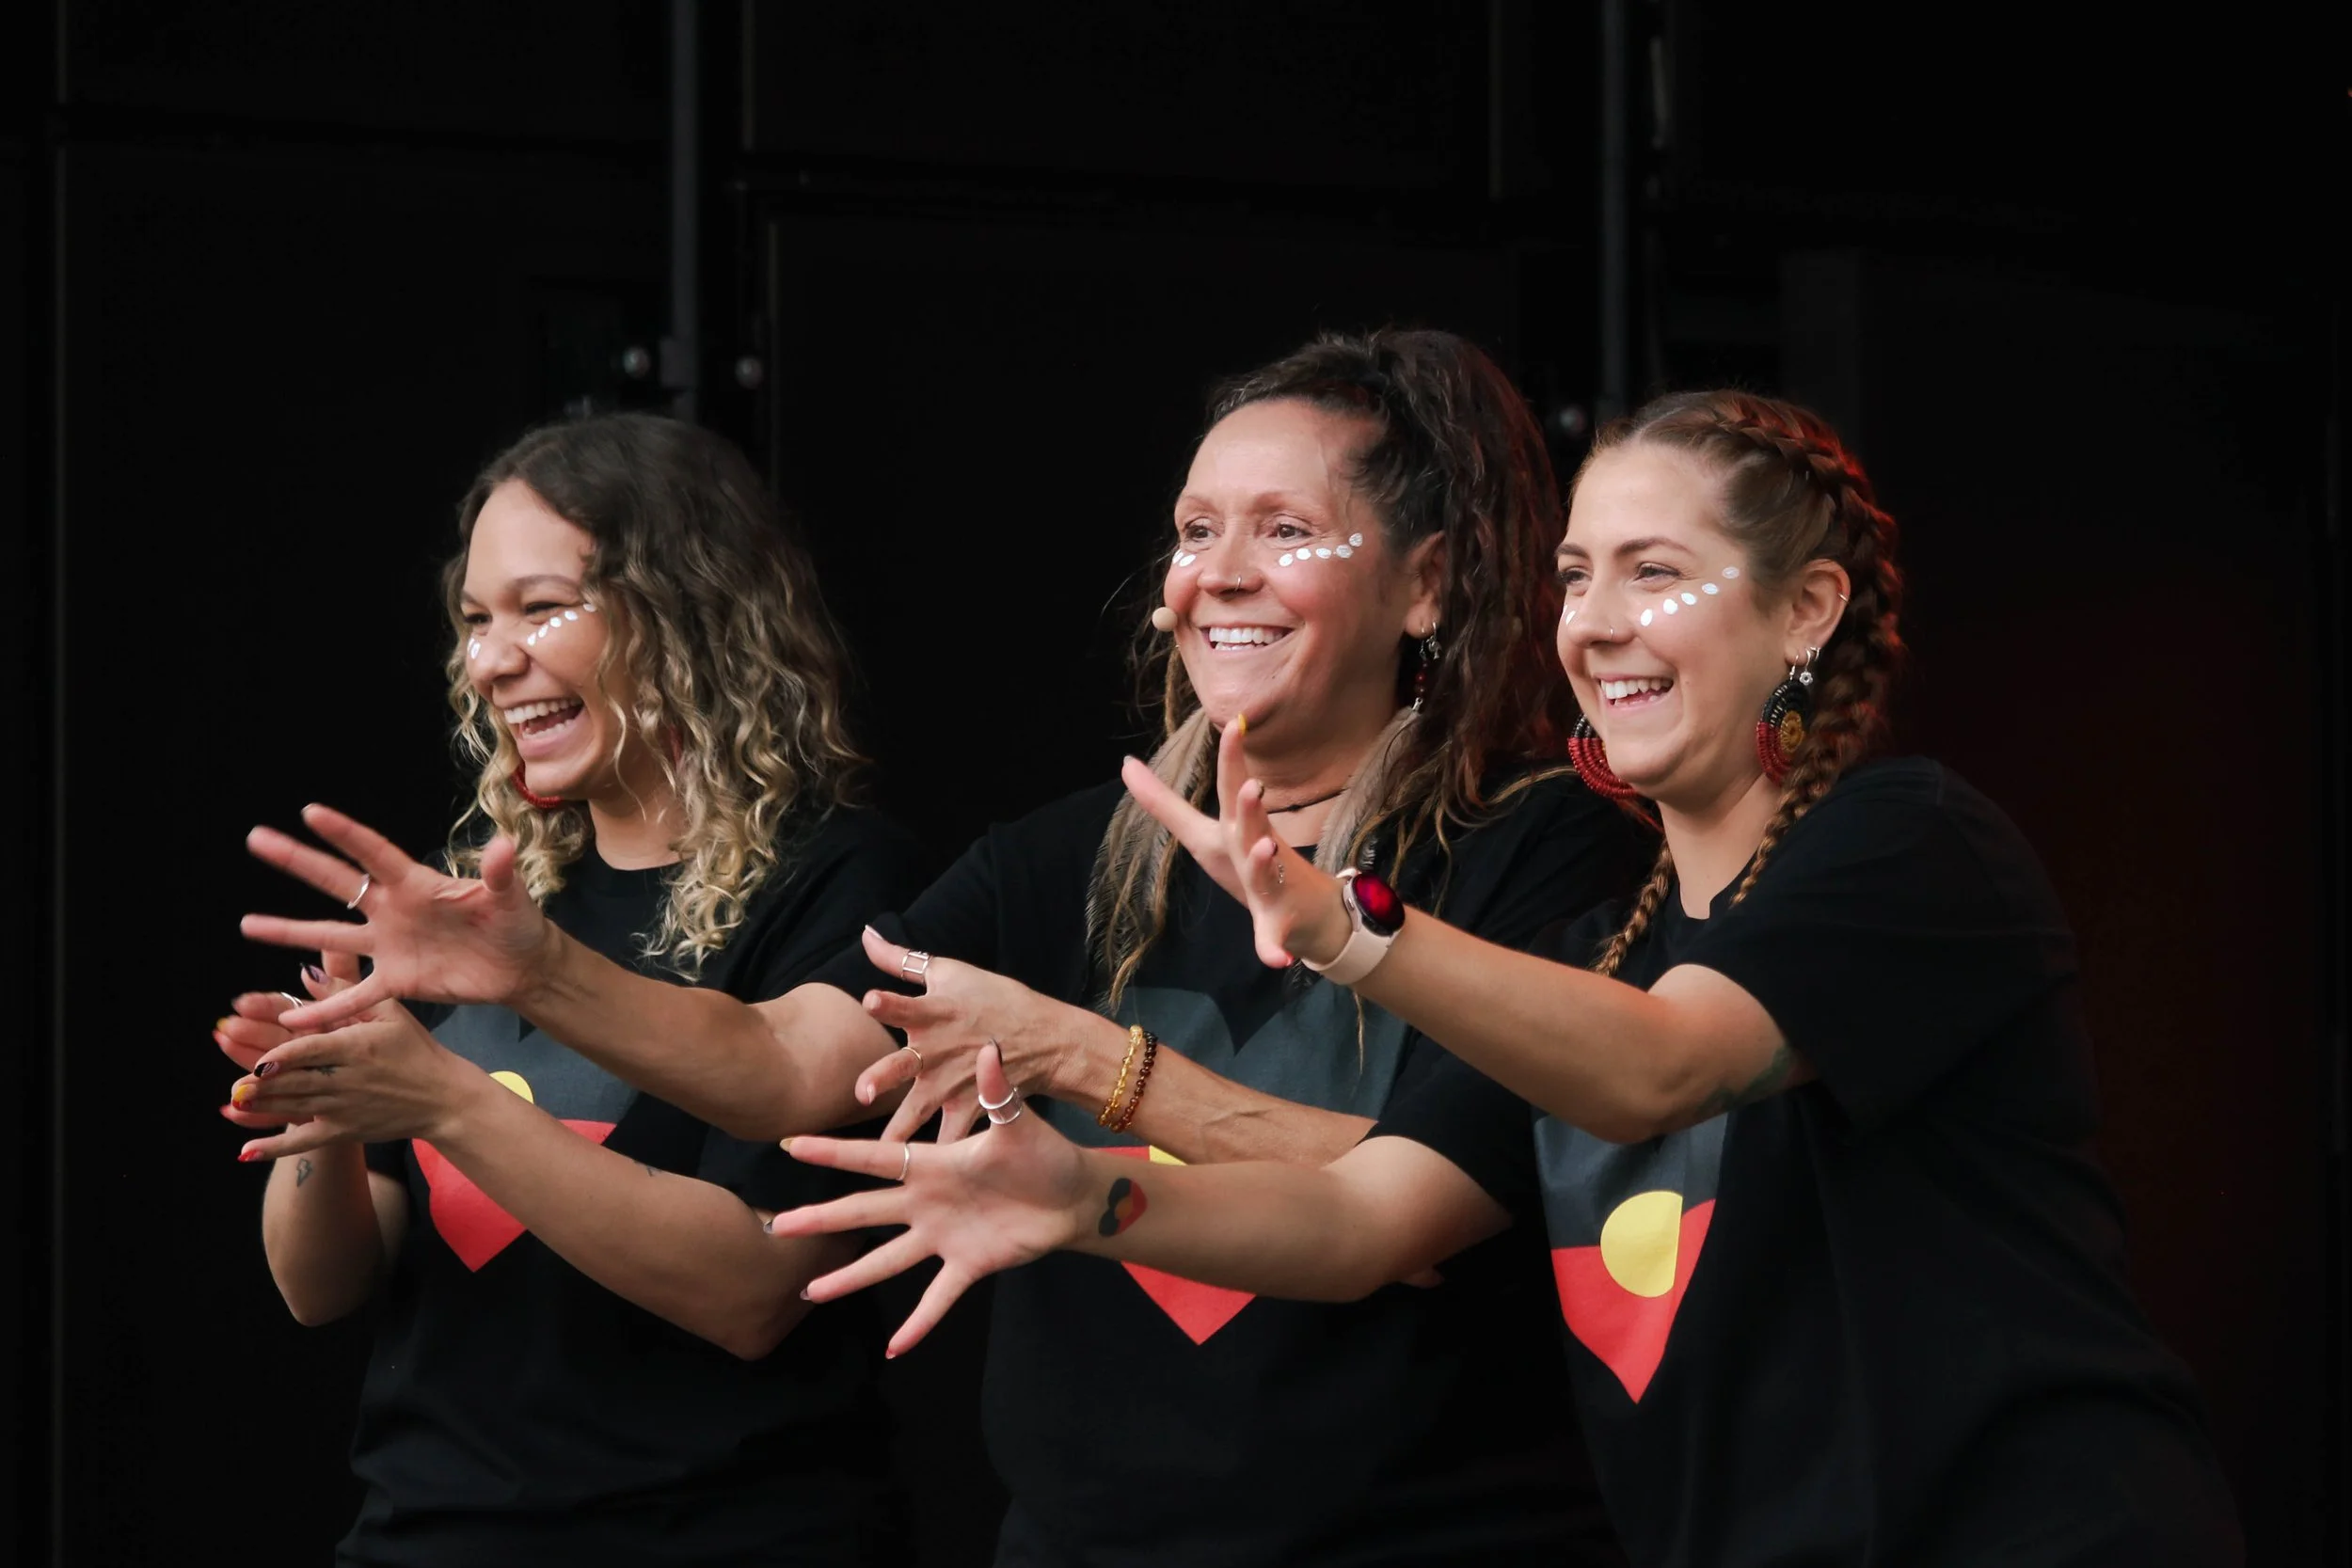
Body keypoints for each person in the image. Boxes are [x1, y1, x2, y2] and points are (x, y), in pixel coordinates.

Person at [771, 389, 2245, 1566]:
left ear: (1806, 612)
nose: (1595, 621)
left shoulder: (1904, 843)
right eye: (1577, 574)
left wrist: (1345, 924)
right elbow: (1365, 1208)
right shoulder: (1615, 932)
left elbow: (1663, 1066)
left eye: (1656, 574)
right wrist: (1086, 1194)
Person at [241, 331, 1644, 1565]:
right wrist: (536, 971)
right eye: (1193, 527)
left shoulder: (1544, 848)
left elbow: (1400, 1214)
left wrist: (1094, 1078)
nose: (1215, 574)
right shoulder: (1062, 855)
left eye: (1282, 530)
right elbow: (794, 1063)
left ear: (1428, 584)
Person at [215, 413, 928, 1566]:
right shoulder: (478, 891)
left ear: (691, 612)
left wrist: (446, 1099)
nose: (491, 660)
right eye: (475, 621)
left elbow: (753, 1289)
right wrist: (325, 1106)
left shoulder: (847, 882)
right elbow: (320, 1285)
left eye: (543, 608)